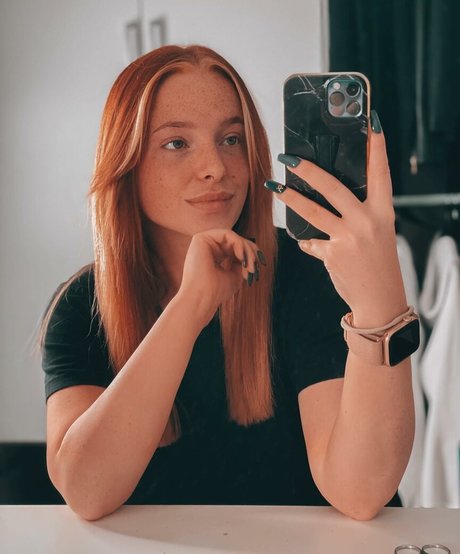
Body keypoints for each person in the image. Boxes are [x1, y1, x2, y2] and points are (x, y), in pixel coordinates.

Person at [39, 44, 416, 522]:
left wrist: (380, 299)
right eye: (177, 143)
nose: (216, 167)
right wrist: (191, 306)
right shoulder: (82, 306)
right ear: (125, 163)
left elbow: (360, 492)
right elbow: (86, 490)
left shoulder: (307, 273)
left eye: (231, 139)